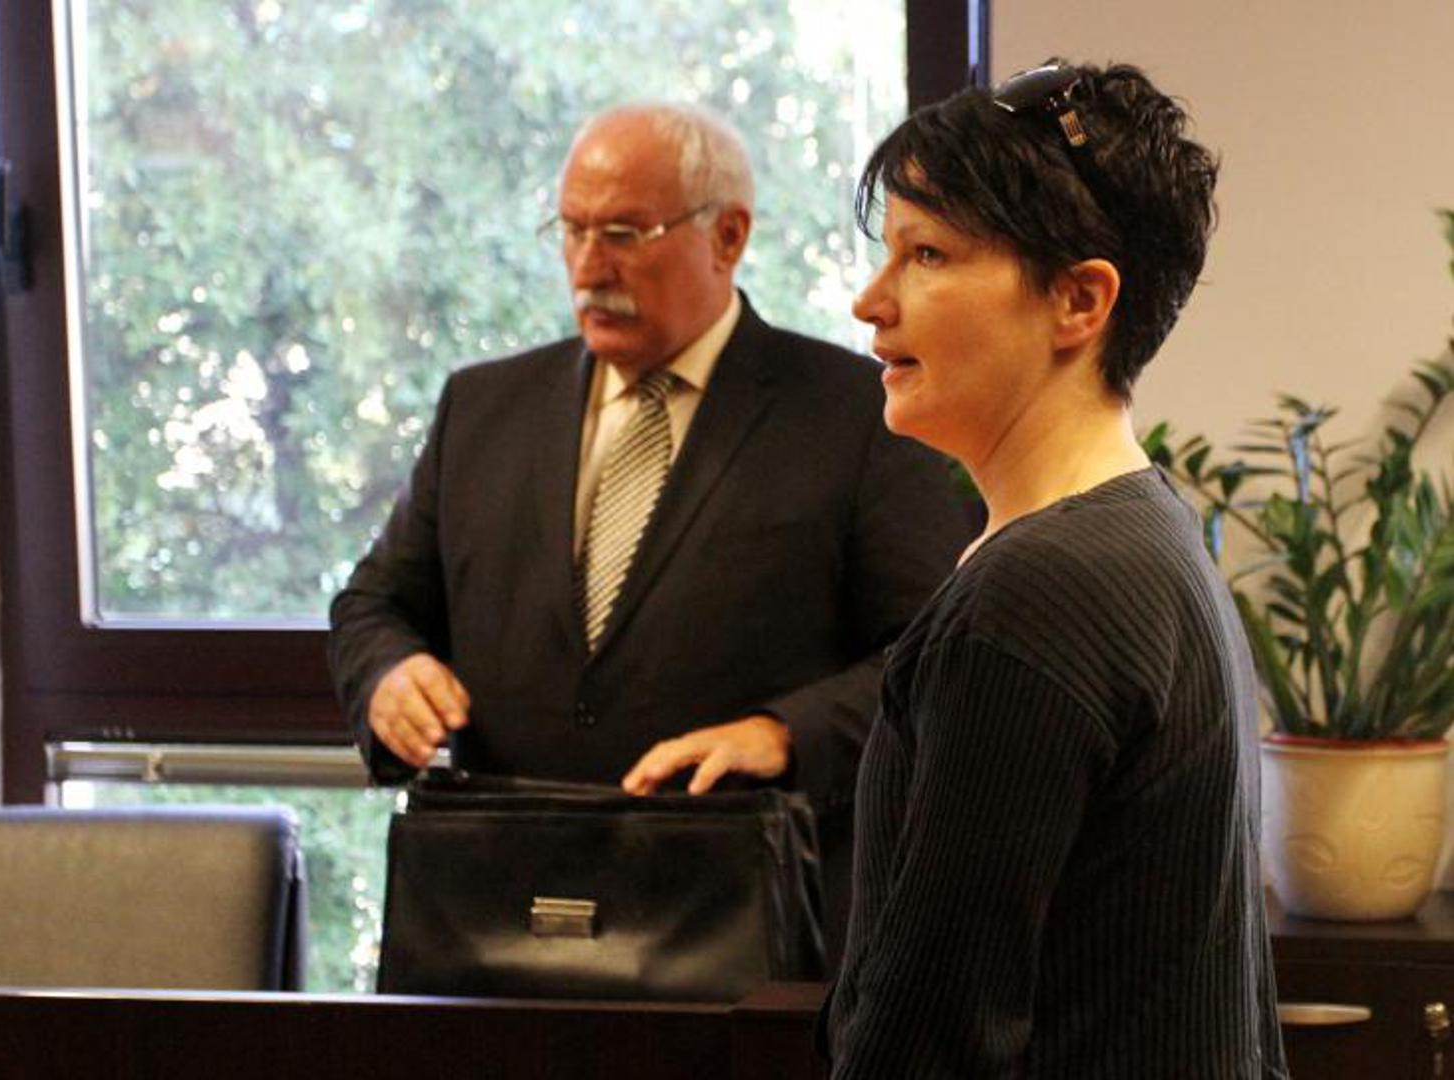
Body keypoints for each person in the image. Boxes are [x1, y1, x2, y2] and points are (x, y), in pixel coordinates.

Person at [328, 101, 973, 961]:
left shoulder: (858, 415)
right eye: (572, 230)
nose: (589, 265)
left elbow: (934, 659)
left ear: (728, 235)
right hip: (494, 923)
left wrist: (784, 734)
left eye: (625, 233)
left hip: (741, 925)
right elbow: (374, 604)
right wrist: (387, 674)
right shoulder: (482, 409)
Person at [822, 63, 1288, 1076]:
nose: (870, 302)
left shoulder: (1038, 591)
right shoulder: (1141, 533)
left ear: (1078, 300)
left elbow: (930, 1038)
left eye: (927, 254)